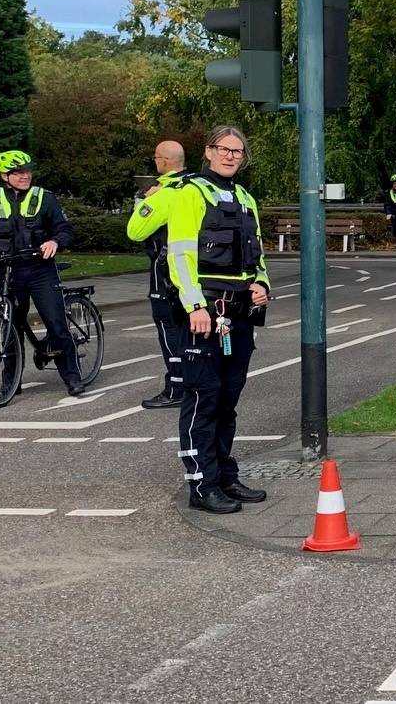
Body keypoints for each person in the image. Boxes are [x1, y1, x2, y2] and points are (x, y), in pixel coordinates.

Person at [163, 126, 271, 515]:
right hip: (204, 312)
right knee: (203, 397)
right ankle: (202, 484)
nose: (229, 156)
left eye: (237, 151)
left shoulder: (245, 197)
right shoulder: (190, 193)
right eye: (223, 149)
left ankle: (225, 476)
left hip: (238, 313)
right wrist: (195, 306)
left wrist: (261, 284)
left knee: (228, 400)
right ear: (208, 151)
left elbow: (257, 253)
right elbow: (180, 255)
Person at [0, 150, 85, 396]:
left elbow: (64, 229)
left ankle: (72, 377)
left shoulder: (45, 198)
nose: (25, 176)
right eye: (17, 172)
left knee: (56, 322)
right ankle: (10, 384)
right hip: (9, 271)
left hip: (40, 270)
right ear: (3, 176)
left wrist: (55, 241)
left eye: (27, 171)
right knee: (10, 326)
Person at [127, 140, 193, 410]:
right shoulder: (197, 186)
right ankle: (197, 383)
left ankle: (176, 387)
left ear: (164, 161)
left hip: (166, 271)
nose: (155, 162)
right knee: (194, 328)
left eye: (156, 158)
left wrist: (147, 199)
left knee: (169, 327)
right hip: (195, 270)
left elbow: (135, 231)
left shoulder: (165, 191)